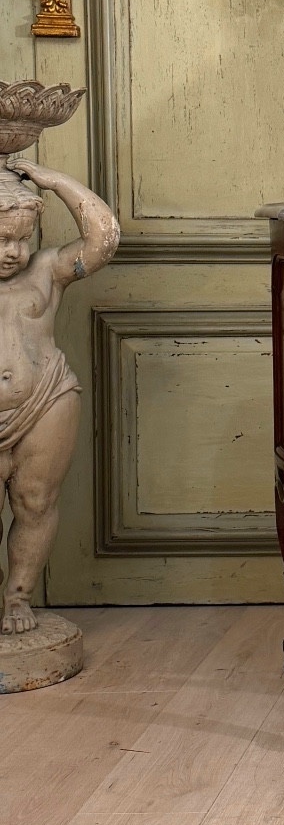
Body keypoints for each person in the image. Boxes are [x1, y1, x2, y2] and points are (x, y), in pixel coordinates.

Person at [0, 160, 119, 634]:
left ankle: (17, 600)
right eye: (1, 239)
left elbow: (104, 239)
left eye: (21, 238)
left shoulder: (46, 271)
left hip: (45, 400)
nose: (12, 252)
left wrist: (55, 183)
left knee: (35, 501)